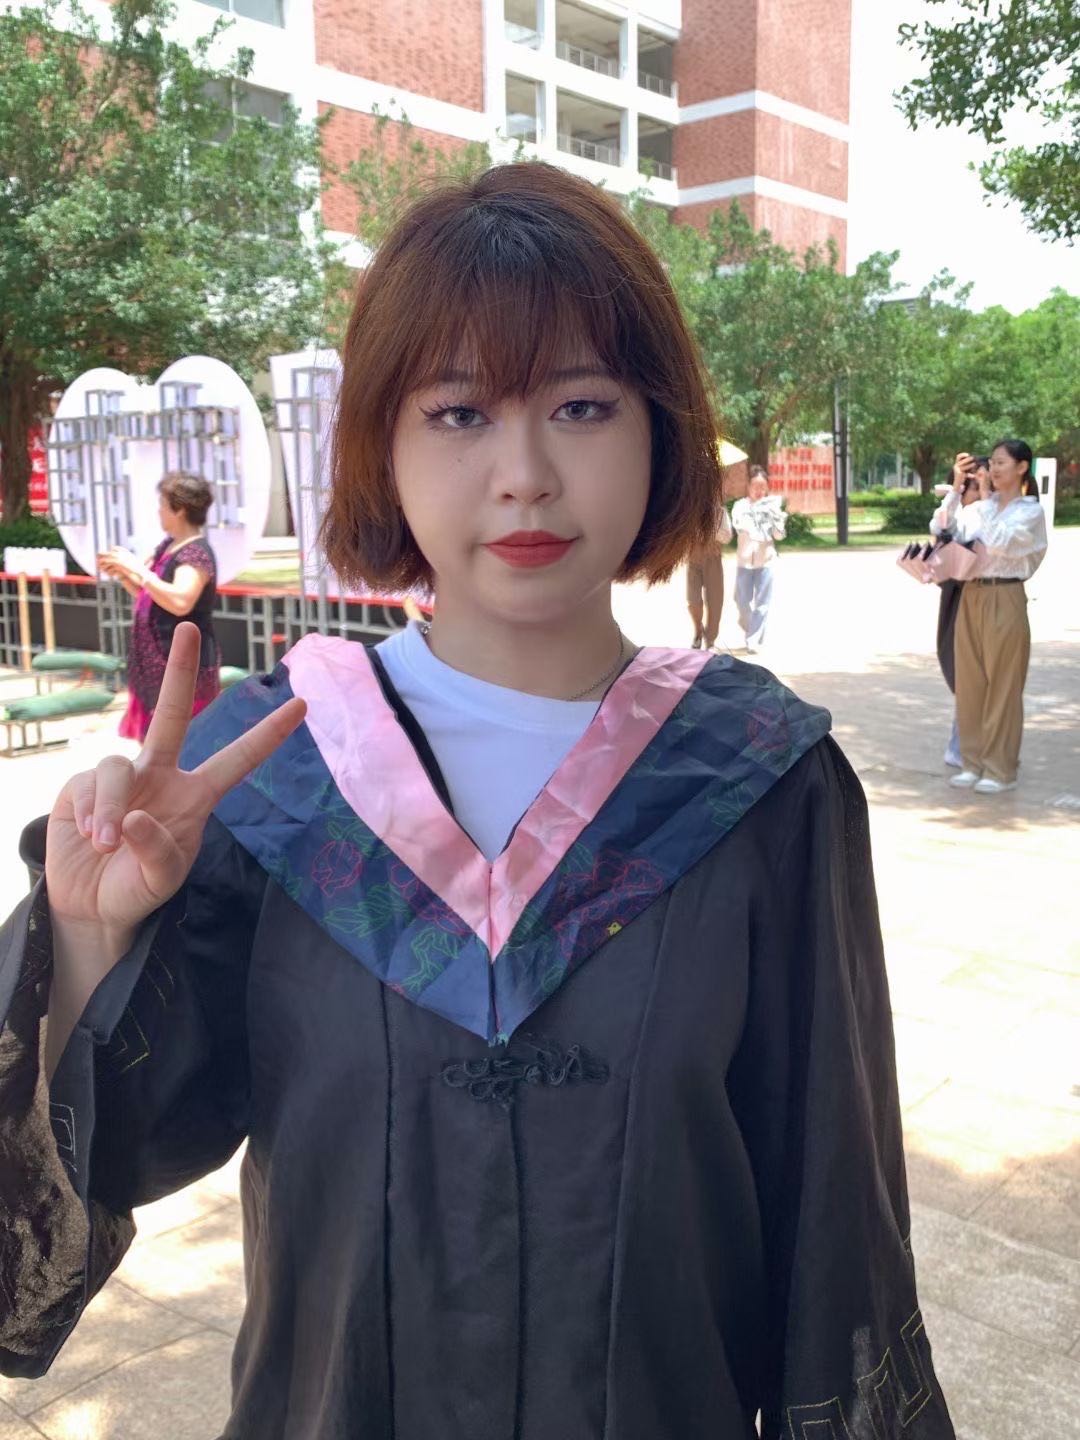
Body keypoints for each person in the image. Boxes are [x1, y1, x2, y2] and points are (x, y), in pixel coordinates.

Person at [0, 164, 955, 1439]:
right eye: (458, 413)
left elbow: (835, 1214)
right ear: (382, 449)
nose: (525, 475)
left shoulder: (757, 779)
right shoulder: (274, 778)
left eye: (581, 405)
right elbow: (97, 1163)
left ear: (658, 431)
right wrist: (89, 938)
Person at [933, 440, 1047, 794]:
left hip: (1005, 595)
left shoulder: (1029, 511)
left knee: (1003, 685)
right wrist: (957, 487)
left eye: (1000, 463)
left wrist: (984, 499)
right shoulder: (982, 507)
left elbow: (1000, 542)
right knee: (970, 683)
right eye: (992, 463)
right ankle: (972, 762)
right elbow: (943, 528)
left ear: (1022, 467)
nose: (993, 470)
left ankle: (1000, 769)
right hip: (972, 594)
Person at [98, 472, 221, 743]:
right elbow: (152, 595)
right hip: (157, 665)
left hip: (183, 665)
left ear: (180, 510)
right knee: (156, 745)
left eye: (163, 505)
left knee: (182, 744)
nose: (159, 511)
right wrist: (123, 573)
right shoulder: (169, 546)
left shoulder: (194, 553)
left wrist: (137, 569)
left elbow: (180, 601)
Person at [931, 456, 988, 766]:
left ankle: (969, 745)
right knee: (958, 664)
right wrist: (955, 487)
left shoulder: (996, 511)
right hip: (957, 595)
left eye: (981, 484)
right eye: (971, 485)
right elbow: (940, 526)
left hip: (986, 596)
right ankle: (963, 745)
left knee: (980, 671)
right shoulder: (957, 511)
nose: (975, 491)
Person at [731, 464, 786, 653]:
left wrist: (777, 520)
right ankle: (753, 628)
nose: (759, 490)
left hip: (766, 561)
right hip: (744, 562)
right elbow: (739, 526)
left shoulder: (772, 507)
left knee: (762, 604)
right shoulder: (740, 506)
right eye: (755, 486)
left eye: (763, 486)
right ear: (748, 486)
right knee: (741, 601)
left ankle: (752, 640)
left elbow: (779, 536)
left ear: (767, 487)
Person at [685, 492, 733, 648]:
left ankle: (710, 638)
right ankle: (698, 630)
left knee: (714, 600)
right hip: (693, 558)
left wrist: (711, 530)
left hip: (713, 559)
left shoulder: (721, 512)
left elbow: (727, 536)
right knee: (692, 599)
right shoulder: (690, 510)